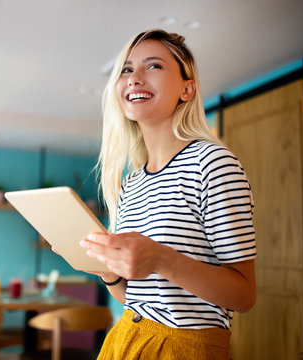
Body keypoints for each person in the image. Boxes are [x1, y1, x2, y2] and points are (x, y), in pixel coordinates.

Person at [79, 29, 256, 359]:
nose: (134, 78)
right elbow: (138, 298)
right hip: (125, 337)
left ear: (187, 89)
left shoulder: (211, 162)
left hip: (183, 347)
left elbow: (244, 296)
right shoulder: (131, 183)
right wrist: (109, 274)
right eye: (127, 69)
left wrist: (161, 258)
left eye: (154, 66)